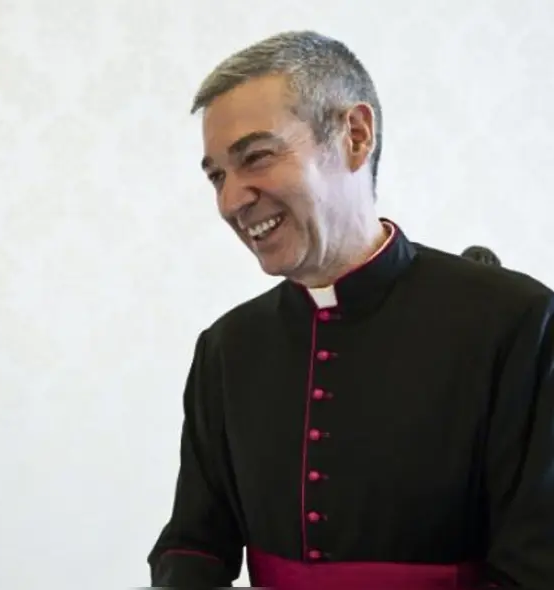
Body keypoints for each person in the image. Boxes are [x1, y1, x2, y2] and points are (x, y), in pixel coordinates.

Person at [148, 30, 554, 589]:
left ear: (354, 137)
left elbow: (538, 564)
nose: (231, 199)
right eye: (217, 175)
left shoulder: (516, 321)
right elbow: (192, 543)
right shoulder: (227, 347)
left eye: (256, 157)